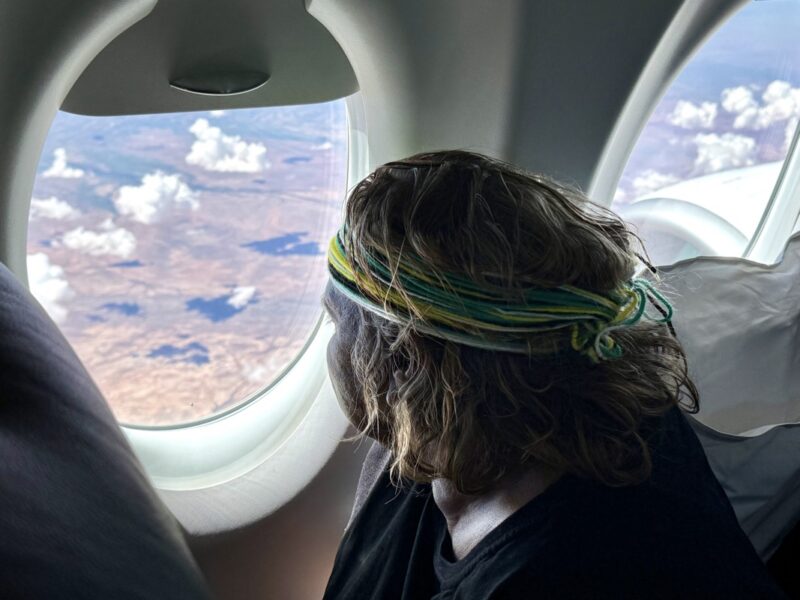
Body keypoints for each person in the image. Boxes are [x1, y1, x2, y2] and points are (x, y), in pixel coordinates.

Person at [321, 150, 785, 599]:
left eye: (335, 323)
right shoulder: (434, 439)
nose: (332, 346)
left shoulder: (578, 570)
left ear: (406, 359)